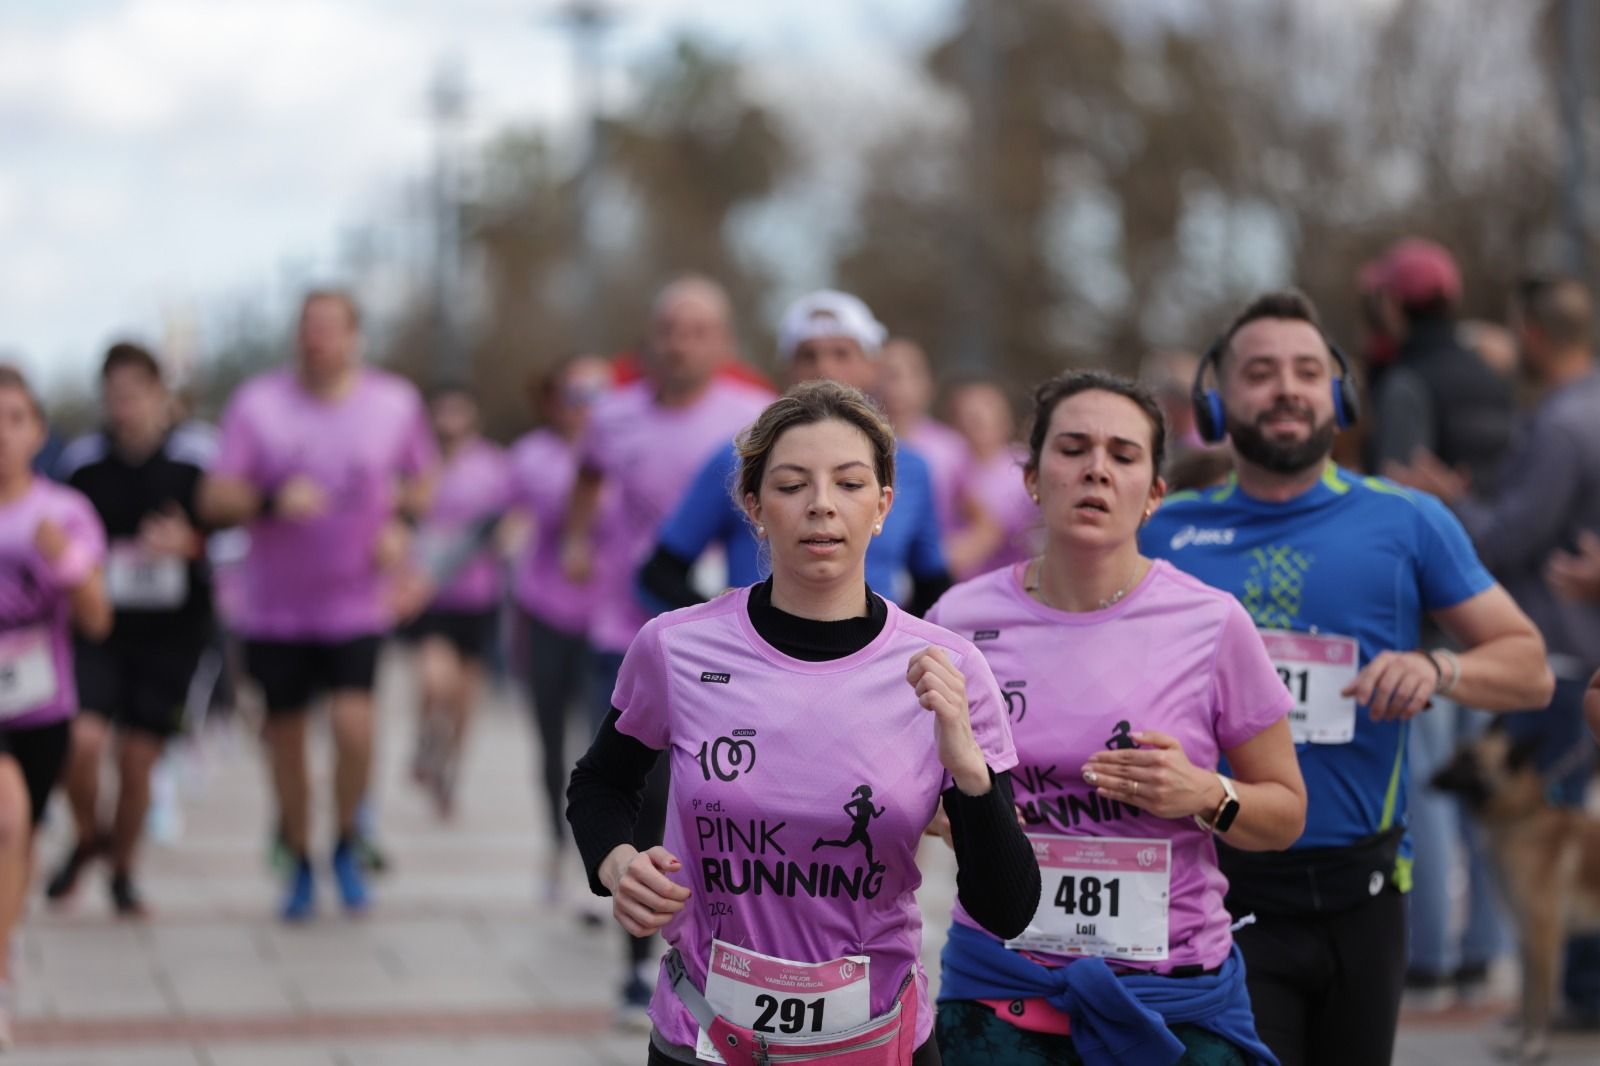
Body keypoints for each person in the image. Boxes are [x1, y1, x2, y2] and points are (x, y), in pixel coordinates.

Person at [567, 379, 1039, 1065]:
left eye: (848, 484)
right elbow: (600, 783)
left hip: (877, 1041)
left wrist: (970, 771)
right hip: (705, 1039)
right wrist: (617, 864)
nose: (821, 505)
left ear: (882, 507)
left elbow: (1009, 909)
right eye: (792, 486)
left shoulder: (948, 667)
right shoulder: (677, 647)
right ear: (754, 508)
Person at [1141, 290, 1553, 1066]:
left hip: (1363, 894)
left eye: (1306, 370)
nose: (1287, 388)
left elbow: (1528, 667)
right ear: (1217, 400)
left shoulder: (1408, 520)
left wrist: (1440, 666)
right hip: (1215, 886)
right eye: (1260, 372)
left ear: (1340, 397)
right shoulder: (1164, 533)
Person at [931, 371, 1305, 1065]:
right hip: (1001, 987)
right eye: (1073, 449)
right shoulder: (959, 623)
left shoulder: (1211, 622)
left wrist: (1205, 794)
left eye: (1124, 455)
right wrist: (959, 820)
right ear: (1033, 477)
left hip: (1173, 994)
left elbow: (1285, 813)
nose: (1096, 470)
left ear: (1153, 494)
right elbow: (898, 783)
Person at [559, 276, 773, 1021]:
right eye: (669, 329)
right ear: (650, 339)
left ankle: (739, 945)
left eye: (696, 330)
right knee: (642, 793)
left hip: (735, 643)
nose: (680, 343)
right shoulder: (611, 415)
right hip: (626, 632)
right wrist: (578, 539)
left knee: (722, 796)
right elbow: (585, 479)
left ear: (723, 342)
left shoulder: (753, 419)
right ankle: (636, 957)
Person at [1388, 274, 1600, 1027]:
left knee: (1552, 830)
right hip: (1583, 646)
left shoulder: (1562, 425)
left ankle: (1580, 992)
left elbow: (1513, 534)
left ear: (1534, 335)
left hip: (1560, 651)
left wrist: (1448, 505)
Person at [198, 288, 437, 921]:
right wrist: (272, 501)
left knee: (355, 729)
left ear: (355, 335)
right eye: (308, 327)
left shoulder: (394, 402)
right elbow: (216, 497)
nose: (317, 338)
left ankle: (347, 843)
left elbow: (424, 479)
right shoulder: (258, 405)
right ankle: (300, 857)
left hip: (356, 603)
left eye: (330, 327)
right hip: (275, 609)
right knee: (286, 741)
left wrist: (403, 528)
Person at [637, 290, 950, 617]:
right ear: (786, 368)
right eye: (807, 355)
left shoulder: (911, 468)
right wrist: (719, 625)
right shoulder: (740, 458)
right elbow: (659, 573)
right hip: (756, 661)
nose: (824, 366)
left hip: (873, 662)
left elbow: (932, 584)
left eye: (841, 353)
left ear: (872, 366)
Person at [45, 343, 214, 917]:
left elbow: (238, 535)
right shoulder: (82, 463)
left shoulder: (197, 456)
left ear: (159, 395)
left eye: (134, 394)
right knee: (81, 741)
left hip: (173, 635)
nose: (124, 408)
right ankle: (91, 836)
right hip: (100, 630)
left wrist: (191, 544)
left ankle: (123, 869)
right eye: (113, 396)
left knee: (139, 759)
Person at [0, 364, 110, 1048]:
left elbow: (98, 620)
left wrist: (63, 563)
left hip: (40, 704)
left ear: (38, 431)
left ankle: (4, 949)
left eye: (14, 419)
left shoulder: (63, 512)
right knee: (6, 818)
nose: (0, 435)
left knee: (18, 835)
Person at [507, 353, 611, 896]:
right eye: (576, 396)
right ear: (555, 402)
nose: (587, 408)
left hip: (612, 622)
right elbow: (500, 520)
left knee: (605, 741)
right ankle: (555, 839)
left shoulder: (626, 452)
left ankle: (602, 853)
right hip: (546, 612)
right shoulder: (531, 458)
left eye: (599, 395)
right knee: (550, 738)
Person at [400, 384, 511, 819]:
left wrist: (507, 539)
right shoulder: (417, 463)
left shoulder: (492, 465)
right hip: (427, 592)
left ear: (471, 419)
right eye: (440, 413)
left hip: (478, 595)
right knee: (434, 680)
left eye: (456, 413)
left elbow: (511, 516)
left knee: (465, 699)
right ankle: (426, 740)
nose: (448, 422)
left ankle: (450, 771)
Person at [942, 378, 1038, 578]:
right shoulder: (949, 467)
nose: (975, 416)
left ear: (1006, 420)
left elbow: (987, 537)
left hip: (1007, 588)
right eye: (966, 413)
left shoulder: (1022, 470)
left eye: (986, 408)